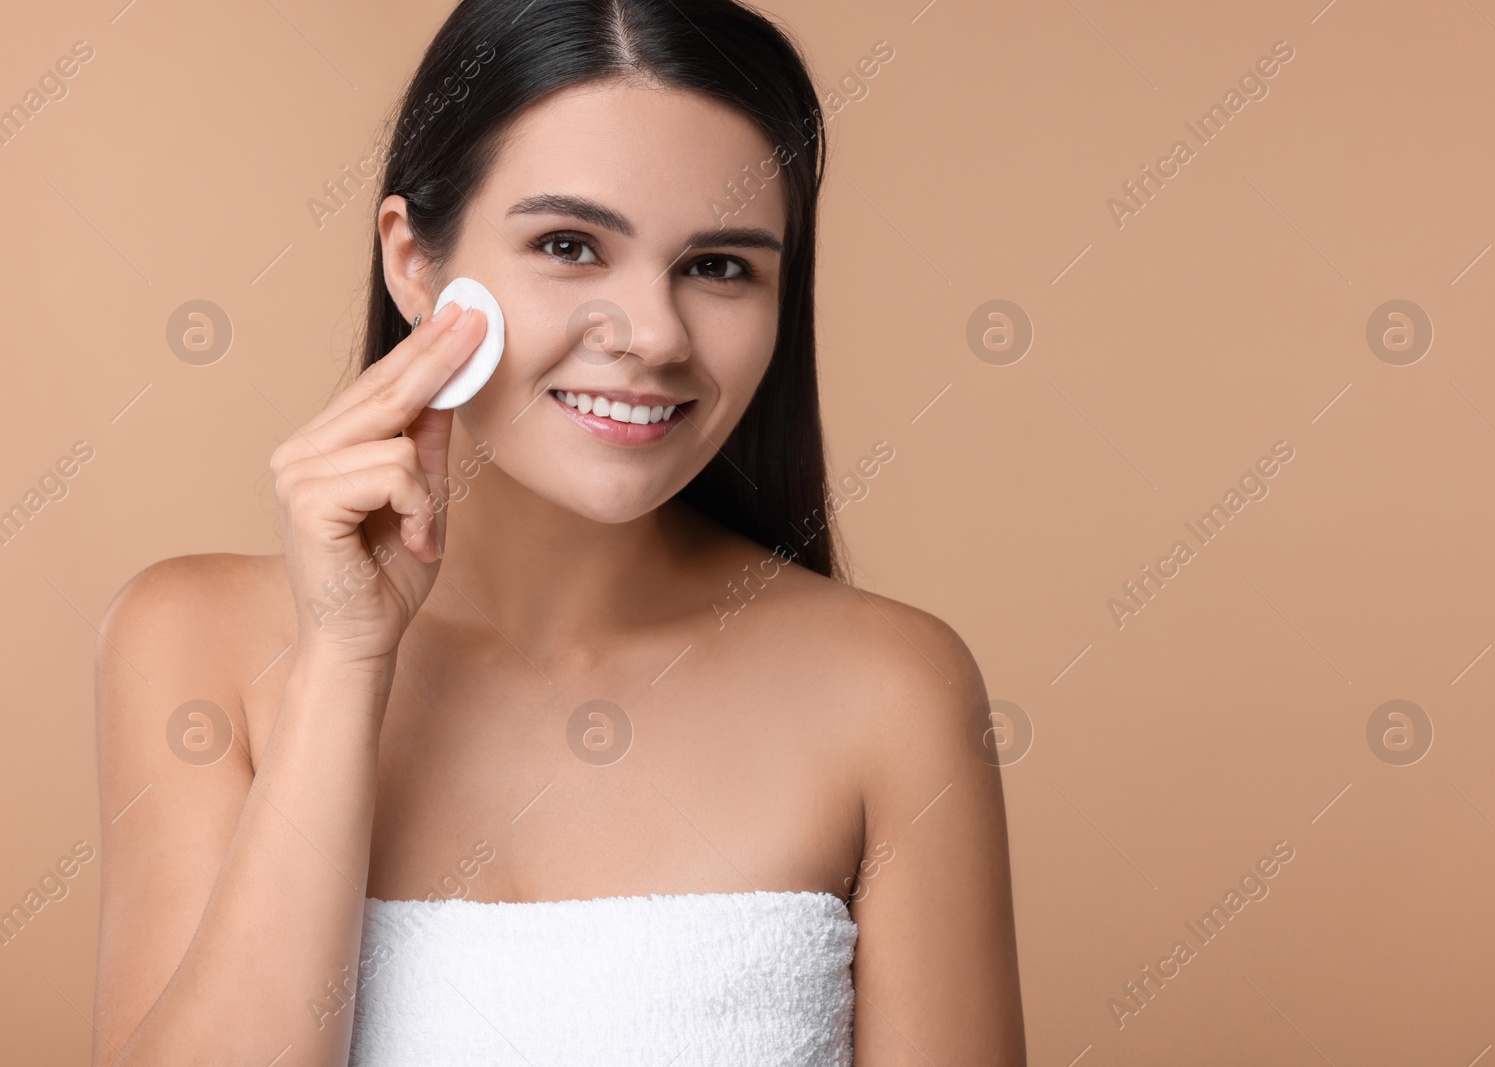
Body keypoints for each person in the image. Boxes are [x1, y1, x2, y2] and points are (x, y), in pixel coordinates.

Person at [90, 0, 1025, 1063]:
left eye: (719, 265)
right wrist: (342, 663)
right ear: (414, 261)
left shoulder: (891, 686)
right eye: (570, 245)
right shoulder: (192, 640)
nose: (655, 335)